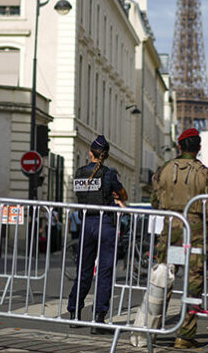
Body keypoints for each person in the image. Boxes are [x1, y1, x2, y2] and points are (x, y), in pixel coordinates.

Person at [151, 128, 208, 349]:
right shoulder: (206, 173)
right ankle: (185, 335)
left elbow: (155, 201)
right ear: (198, 148)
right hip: (195, 232)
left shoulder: (163, 170)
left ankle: (152, 330)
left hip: (171, 230)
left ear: (179, 146)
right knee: (194, 282)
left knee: (163, 278)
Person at [67, 135, 127, 335]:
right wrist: (114, 194)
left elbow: (81, 195)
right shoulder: (108, 174)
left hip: (86, 224)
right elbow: (123, 194)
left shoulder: (79, 173)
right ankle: (98, 318)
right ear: (106, 156)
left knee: (83, 270)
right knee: (104, 272)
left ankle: (74, 313)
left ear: (90, 153)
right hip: (105, 223)